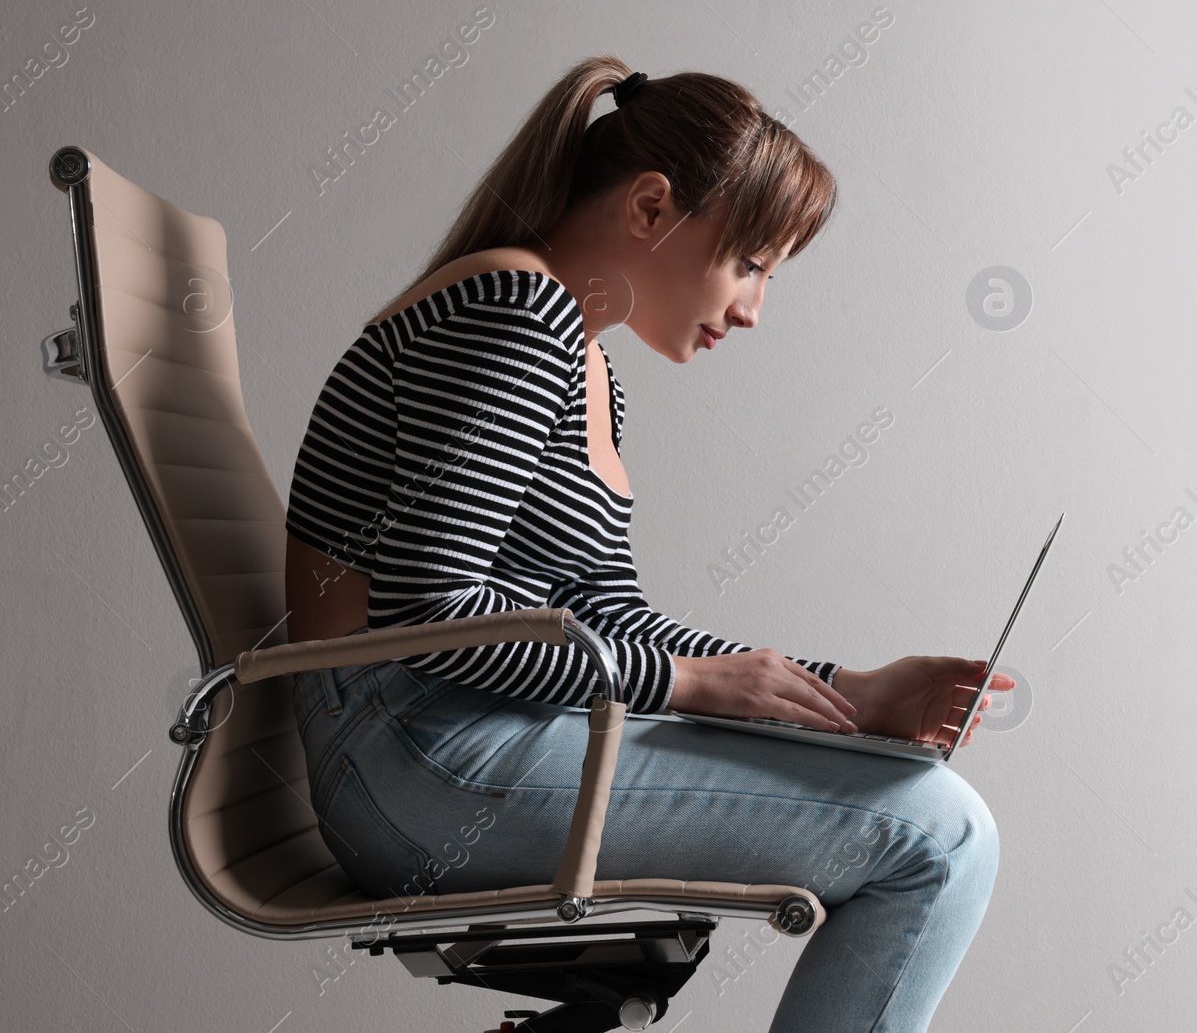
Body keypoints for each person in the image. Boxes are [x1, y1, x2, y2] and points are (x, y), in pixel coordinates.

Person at [282, 54, 1014, 1033]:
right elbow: (433, 620)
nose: (753, 307)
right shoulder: (513, 310)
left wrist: (845, 689)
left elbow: (604, 618)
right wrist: (693, 685)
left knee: (925, 799)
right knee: (938, 833)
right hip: (419, 751)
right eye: (750, 262)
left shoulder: (582, 359)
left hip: (459, 738)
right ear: (651, 207)